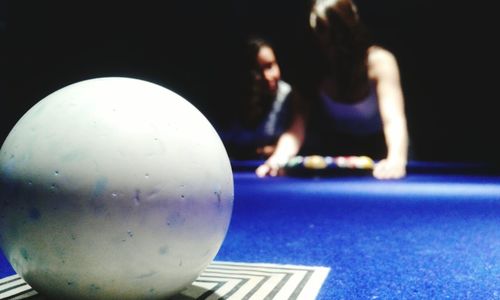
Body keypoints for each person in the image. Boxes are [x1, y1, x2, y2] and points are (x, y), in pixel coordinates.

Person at [256, 0, 409, 179]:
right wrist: (278, 159)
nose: (333, 49)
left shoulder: (379, 62)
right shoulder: (314, 69)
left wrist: (396, 160)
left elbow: (394, 120)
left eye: (338, 36)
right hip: (336, 158)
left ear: (351, 31)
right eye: (324, 38)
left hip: (383, 154)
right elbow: (296, 128)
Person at [221, 37, 296, 159]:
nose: (267, 76)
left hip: (276, 171)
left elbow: (299, 140)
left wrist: (276, 150)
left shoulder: (290, 97)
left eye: (270, 66)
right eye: (258, 71)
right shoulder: (233, 99)